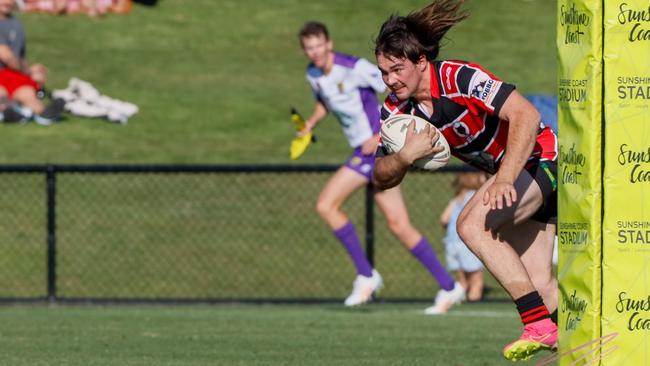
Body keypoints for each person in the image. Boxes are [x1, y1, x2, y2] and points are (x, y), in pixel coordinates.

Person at [372, 0, 558, 361]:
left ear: (421, 62)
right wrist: (405, 156)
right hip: (517, 174)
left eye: (397, 69)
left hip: (540, 157)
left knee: (471, 225)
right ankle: (582, 347)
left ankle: (536, 324)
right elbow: (381, 175)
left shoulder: (459, 77)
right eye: (383, 72)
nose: (390, 80)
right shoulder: (396, 111)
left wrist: (504, 179)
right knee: (539, 282)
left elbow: (526, 114)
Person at [297, 21, 465, 312]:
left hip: (373, 152)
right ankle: (450, 287)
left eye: (318, 45)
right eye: (309, 47)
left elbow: (393, 93)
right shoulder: (313, 75)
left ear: (329, 43)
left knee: (327, 204)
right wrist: (310, 124)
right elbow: (325, 102)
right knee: (399, 225)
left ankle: (366, 275)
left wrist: (379, 135)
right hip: (362, 152)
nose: (315, 52)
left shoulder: (354, 67)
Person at [0, 0, 63, 124]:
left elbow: (20, 57)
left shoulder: (16, 23)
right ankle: (9, 112)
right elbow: (6, 56)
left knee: (27, 94)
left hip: (13, 74)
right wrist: (28, 71)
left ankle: (44, 115)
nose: (7, 2)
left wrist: (31, 72)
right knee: (1, 94)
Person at [440, 171, 487, 302]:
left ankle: (455, 300)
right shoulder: (476, 197)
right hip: (468, 244)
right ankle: (474, 300)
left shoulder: (457, 199)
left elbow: (444, 219)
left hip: (451, 243)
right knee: (476, 279)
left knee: (463, 280)